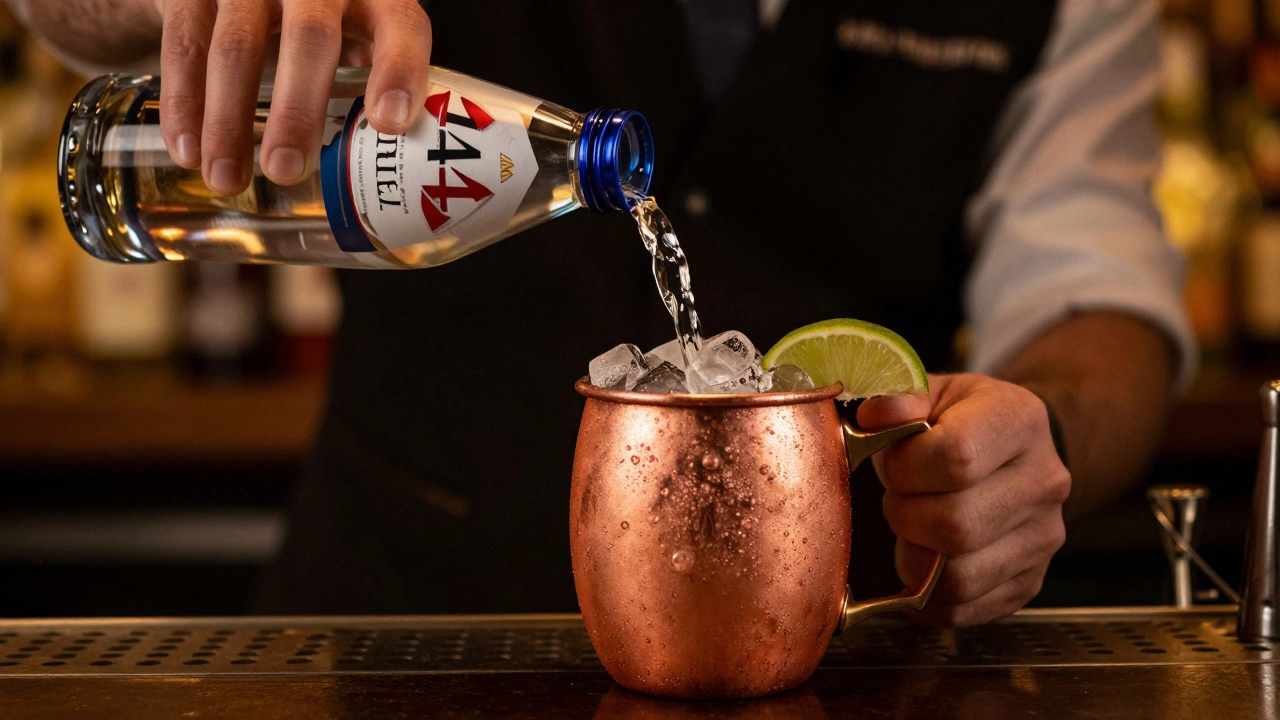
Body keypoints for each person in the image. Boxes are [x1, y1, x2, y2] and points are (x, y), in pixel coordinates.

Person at [11, 0, 1192, 626]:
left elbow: (1103, 298)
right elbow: (62, 7)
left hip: (819, 663)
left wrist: (1032, 431)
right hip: (400, 626)